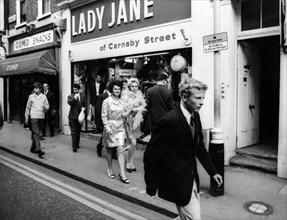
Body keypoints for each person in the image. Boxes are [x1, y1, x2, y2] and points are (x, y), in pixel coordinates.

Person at [144, 78, 223, 220]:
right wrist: (151, 185)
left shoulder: (196, 116)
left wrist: (213, 172)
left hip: (191, 179)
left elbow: (199, 147)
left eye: (203, 98)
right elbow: (152, 155)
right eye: (198, 98)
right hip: (176, 180)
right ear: (185, 97)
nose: (202, 102)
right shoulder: (169, 120)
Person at [101, 78, 129, 184]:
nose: (117, 91)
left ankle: (122, 173)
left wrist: (129, 112)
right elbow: (104, 116)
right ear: (112, 89)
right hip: (110, 128)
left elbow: (122, 115)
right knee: (109, 150)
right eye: (115, 89)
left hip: (120, 128)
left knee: (120, 149)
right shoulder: (106, 101)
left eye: (119, 89)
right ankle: (109, 168)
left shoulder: (122, 102)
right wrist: (107, 129)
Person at [122, 77, 146, 172]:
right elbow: (123, 108)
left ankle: (131, 162)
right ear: (129, 87)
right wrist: (131, 109)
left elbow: (143, 106)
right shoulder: (125, 96)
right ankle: (128, 163)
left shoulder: (139, 96)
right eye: (132, 86)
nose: (134, 88)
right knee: (133, 142)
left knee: (133, 144)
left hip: (137, 121)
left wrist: (138, 109)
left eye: (136, 86)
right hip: (128, 121)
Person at [145, 69, 173, 137]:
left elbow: (146, 106)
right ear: (163, 81)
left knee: (154, 139)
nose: (167, 83)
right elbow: (171, 107)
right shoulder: (168, 92)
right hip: (165, 120)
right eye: (166, 81)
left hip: (152, 120)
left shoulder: (149, 90)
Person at [24, 82, 49, 158]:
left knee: (36, 134)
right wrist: (26, 118)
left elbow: (47, 106)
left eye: (36, 88)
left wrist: (46, 108)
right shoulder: (31, 96)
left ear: (40, 89)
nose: (34, 89)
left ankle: (32, 148)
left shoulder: (44, 97)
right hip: (33, 117)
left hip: (41, 117)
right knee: (37, 133)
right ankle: (39, 150)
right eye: (34, 88)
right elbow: (27, 108)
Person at [96, 81, 118, 160]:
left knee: (115, 136)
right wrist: (99, 123)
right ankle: (100, 146)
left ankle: (114, 153)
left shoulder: (116, 96)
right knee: (105, 137)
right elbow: (98, 111)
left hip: (114, 121)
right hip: (105, 121)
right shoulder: (102, 96)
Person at [67, 83, 86, 153]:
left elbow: (85, 104)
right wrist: (74, 98)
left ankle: (77, 144)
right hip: (72, 117)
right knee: (73, 132)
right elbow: (69, 102)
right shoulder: (70, 96)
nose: (74, 90)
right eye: (73, 89)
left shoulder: (83, 96)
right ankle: (74, 146)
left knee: (78, 132)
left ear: (79, 89)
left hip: (80, 117)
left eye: (76, 89)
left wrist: (84, 108)